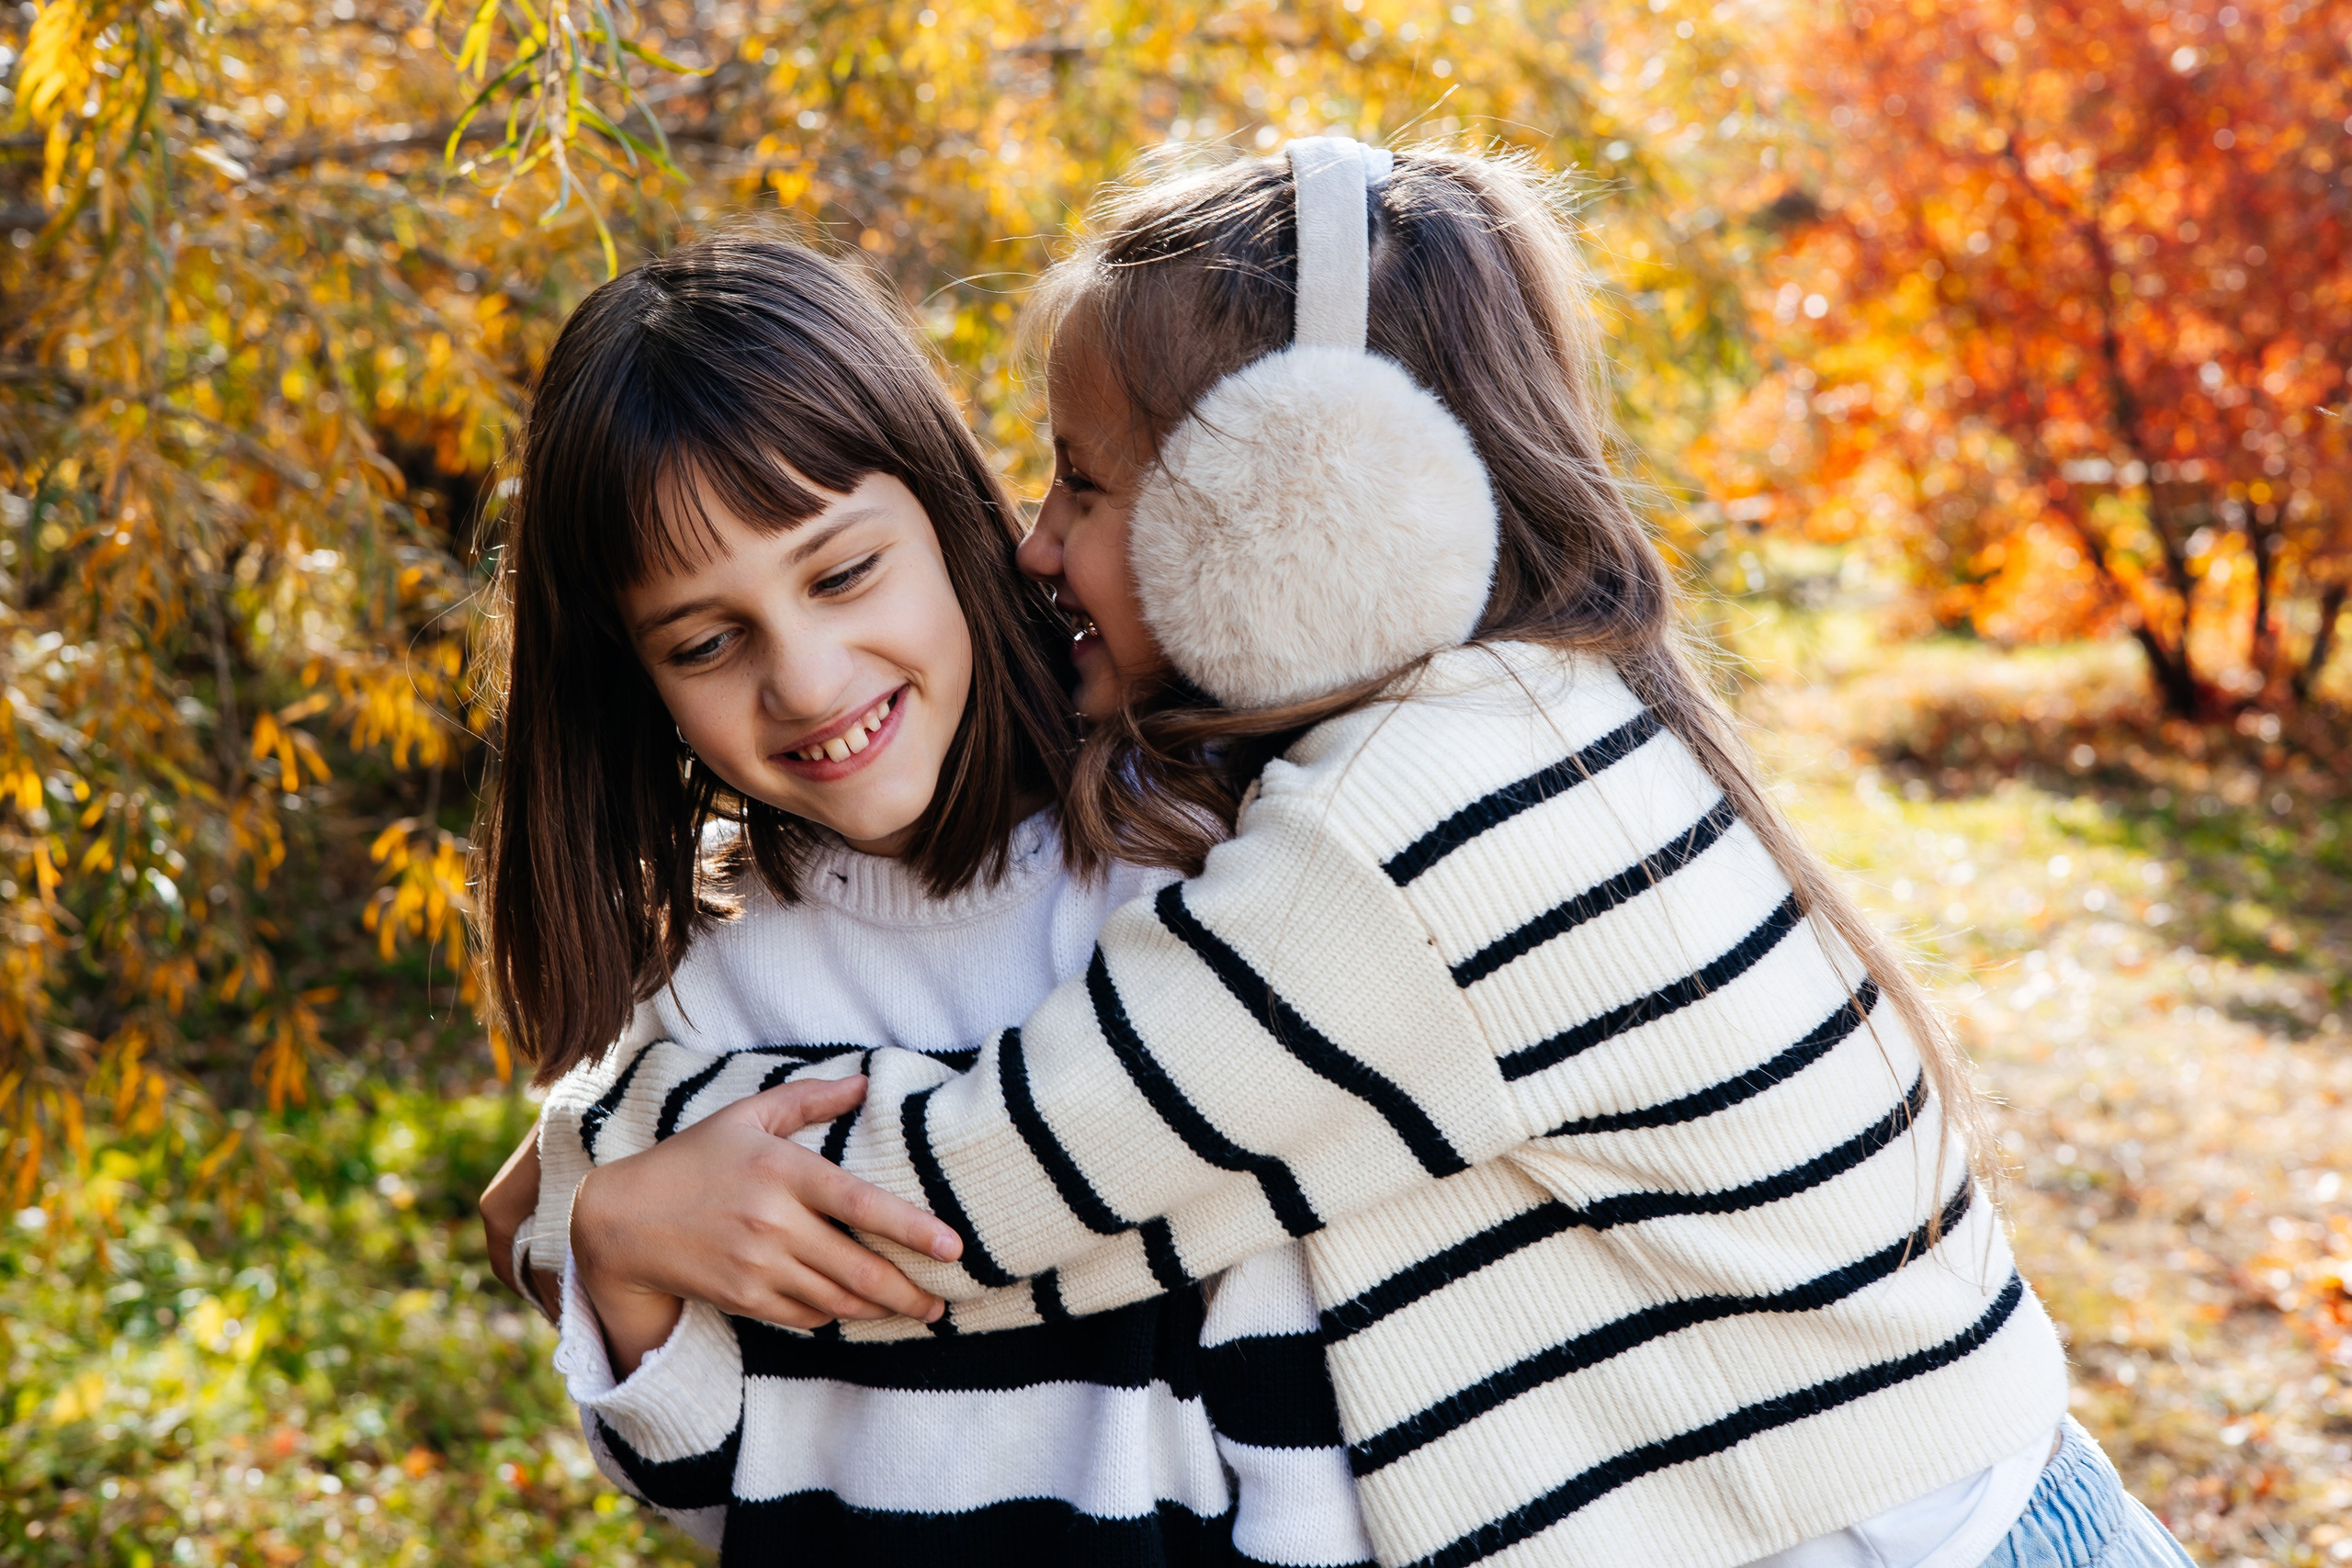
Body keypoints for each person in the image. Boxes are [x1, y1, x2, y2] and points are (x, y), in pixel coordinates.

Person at [536, 144, 2198, 1568]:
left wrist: (588, 1184)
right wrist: (609, 1202)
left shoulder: (1380, 850)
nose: (1035, 543)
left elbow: (994, 1189)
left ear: (1293, 507)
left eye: (1088, 487)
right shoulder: (1504, 727)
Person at [475, 233, 1374, 1565]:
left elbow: (1302, 1372)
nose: (808, 679)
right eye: (708, 642)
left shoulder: (1185, 861)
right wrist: (613, 1254)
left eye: (843, 574)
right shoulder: (710, 980)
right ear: (639, 679)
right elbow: (732, 1488)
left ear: (953, 517)